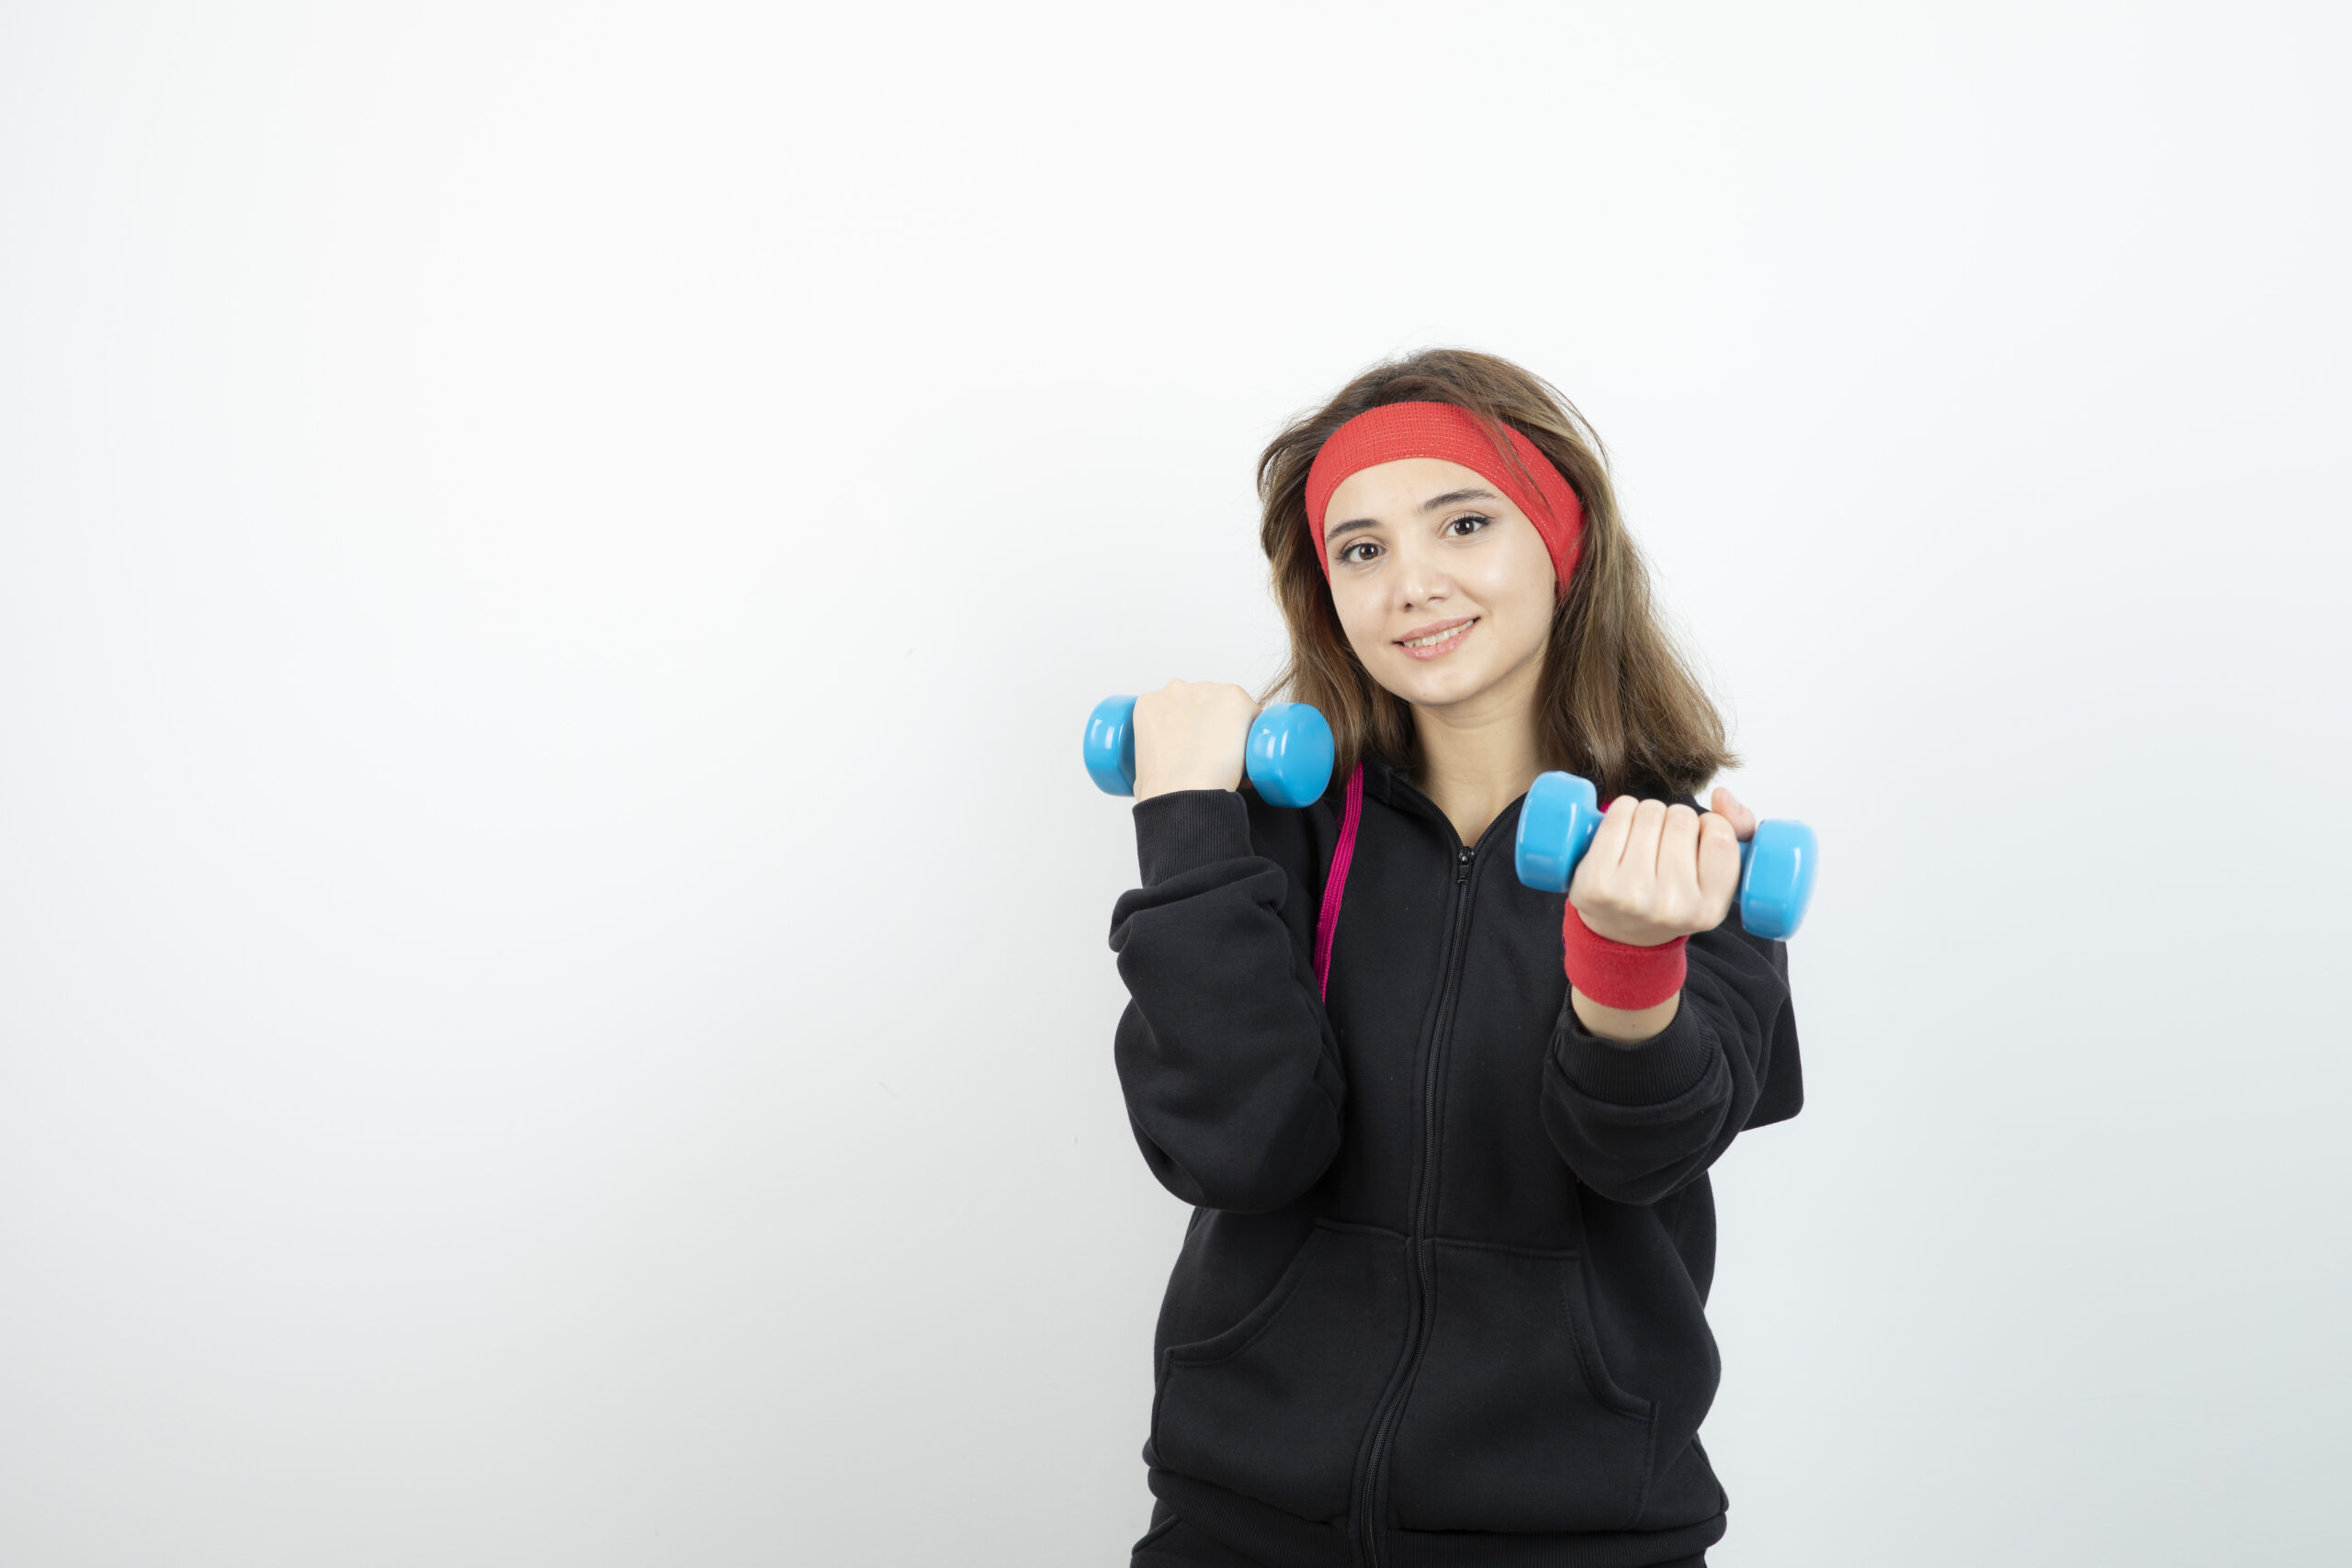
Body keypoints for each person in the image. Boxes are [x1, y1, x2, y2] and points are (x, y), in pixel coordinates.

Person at [1106, 348, 1803, 1568]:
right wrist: (1186, 831)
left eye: (1463, 523)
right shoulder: (1263, 843)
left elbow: (1642, 1151)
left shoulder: (1689, 863)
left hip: (1578, 1534)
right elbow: (1238, 1147)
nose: (1409, 584)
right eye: (1362, 549)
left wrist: (1627, 957)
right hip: (1242, 1521)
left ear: (1560, 543)